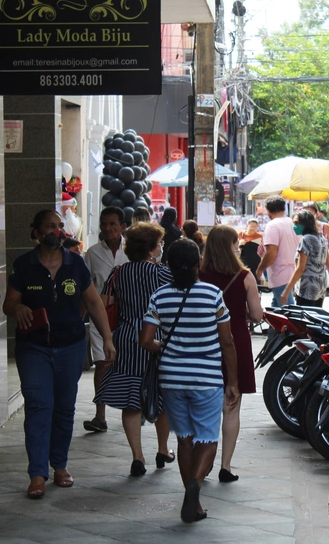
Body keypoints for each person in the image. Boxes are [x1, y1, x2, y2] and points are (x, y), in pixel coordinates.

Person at [3, 210, 116, 499]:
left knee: (65, 407)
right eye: (50, 226)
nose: (57, 230)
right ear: (37, 233)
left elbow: (92, 302)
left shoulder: (75, 263)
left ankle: (60, 466)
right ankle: (37, 473)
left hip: (70, 346)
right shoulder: (23, 265)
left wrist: (107, 339)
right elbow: (8, 303)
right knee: (40, 406)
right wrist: (18, 309)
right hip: (34, 347)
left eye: (59, 226)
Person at [140, 240, 239, 523]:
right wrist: (232, 380)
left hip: (172, 378)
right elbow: (227, 341)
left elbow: (145, 341)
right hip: (206, 379)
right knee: (208, 438)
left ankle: (192, 502)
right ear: (199, 264)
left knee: (184, 439)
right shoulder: (212, 295)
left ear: (167, 265)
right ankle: (194, 486)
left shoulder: (159, 296)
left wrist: (165, 348)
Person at [95, 223, 175, 477]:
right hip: (157, 338)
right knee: (161, 395)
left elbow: (106, 303)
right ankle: (163, 449)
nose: (161, 248)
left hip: (127, 338)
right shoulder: (163, 274)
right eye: (159, 244)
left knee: (132, 400)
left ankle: (137, 456)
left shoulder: (118, 273)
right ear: (152, 249)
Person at [198, 225, 264, 482]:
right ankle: (225, 466)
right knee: (232, 406)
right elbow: (257, 315)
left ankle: (203, 463)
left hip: (204, 340)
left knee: (205, 407)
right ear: (231, 246)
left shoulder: (199, 275)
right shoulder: (245, 276)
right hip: (236, 339)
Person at [82, 207, 129, 433]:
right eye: (104, 224)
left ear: (122, 227)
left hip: (128, 316)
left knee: (128, 363)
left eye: (113, 224)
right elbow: (85, 286)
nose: (108, 228)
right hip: (100, 316)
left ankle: (132, 410)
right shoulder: (92, 253)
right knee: (102, 362)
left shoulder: (131, 250)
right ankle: (100, 415)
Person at [281, 211, 329, 306]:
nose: (294, 226)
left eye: (296, 223)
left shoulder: (306, 240)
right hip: (320, 287)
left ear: (305, 223)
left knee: (304, 319)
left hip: (307, 288)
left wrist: (286, 291)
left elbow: (300, 268)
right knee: (315, 318)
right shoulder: (322, 238)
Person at [255, 195, 298, 307]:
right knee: (277, 309)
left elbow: (271, 253)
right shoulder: (293, 223)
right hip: (292, 272)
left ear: (268, 210)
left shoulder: (272, 225)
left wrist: (260, 269)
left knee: (288, 311)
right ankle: (272, 325)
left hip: (280, 273)